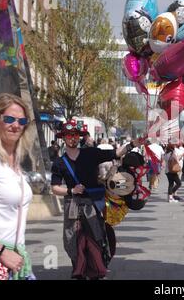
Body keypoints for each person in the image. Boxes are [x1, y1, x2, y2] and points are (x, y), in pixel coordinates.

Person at [51, 120, 129, 280]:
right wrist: (71, 190)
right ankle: (79, 271)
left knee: (95, 237)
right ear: (64, 138)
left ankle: (96, 271)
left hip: (92, 204)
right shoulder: (59, 163)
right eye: (69, 135)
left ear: (79, 137)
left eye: (75, 135)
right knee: (73, 239)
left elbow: (115, 153)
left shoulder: (90, 153)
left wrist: (133, 144)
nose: (72, 138)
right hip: (72, 206)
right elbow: (54, 187)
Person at [0, 94, 35, 280]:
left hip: (15, 261)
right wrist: (1, 251)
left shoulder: (16, 163)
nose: (15, 125)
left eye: (21, 121)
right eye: (9, 119)